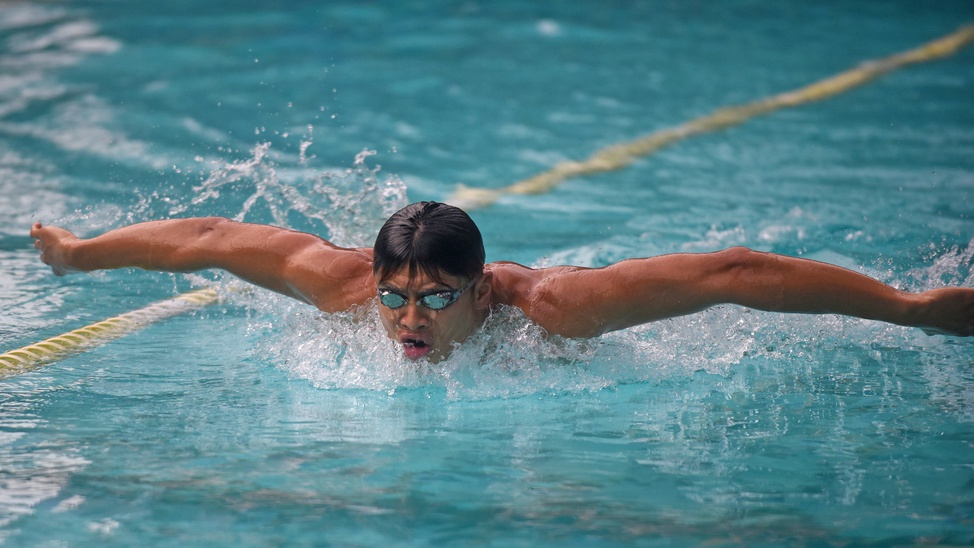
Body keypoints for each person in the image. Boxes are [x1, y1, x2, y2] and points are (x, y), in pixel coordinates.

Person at [30, 201, 974, 362]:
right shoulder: (346, 287)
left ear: (480, 293)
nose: (408, 320)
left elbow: (733, 272)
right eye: (397, 295)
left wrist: (911, 308)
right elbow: (206, 236)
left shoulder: (551, 310)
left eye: (436, 299)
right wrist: (76, 257)